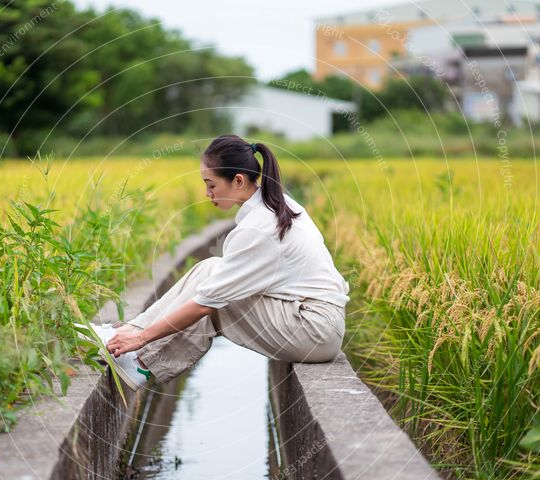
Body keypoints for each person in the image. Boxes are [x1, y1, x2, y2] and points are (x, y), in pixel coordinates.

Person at [92, 134, 350, 390]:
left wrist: (142, 338)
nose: (207, 193)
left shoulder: (258, 230)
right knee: (210, 270)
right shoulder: (274, 206)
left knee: (213, 298)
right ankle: (129, 339)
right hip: (312, 322)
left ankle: (139, 358)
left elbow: (206, 304)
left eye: (211, 184)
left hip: (313, 330)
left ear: (238, 181)